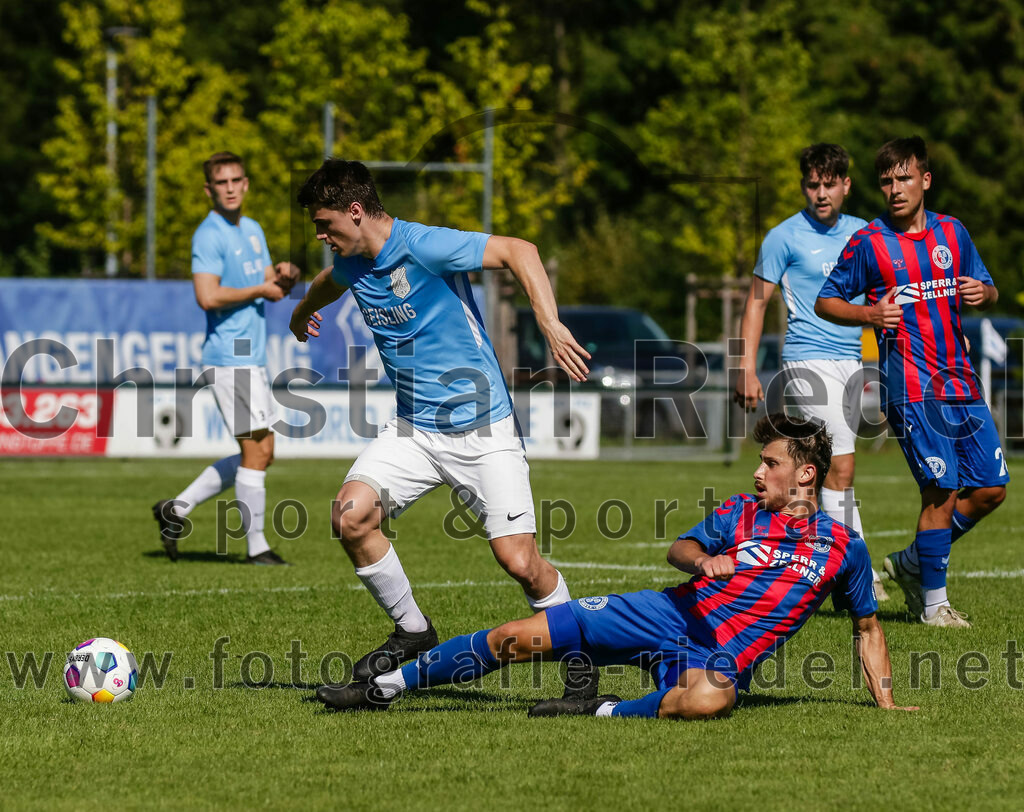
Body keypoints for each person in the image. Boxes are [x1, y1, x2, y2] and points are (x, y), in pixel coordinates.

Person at [315, 414, 916, 718]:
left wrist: (885, 703)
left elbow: (868, 629)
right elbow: (677, 550)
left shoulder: (844, 548)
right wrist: (705, 561)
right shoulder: (738, 512)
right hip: (661, 612)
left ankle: (605, 710)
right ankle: (387, 686)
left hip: (712, 659)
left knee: (712, 699)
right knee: (515, 638)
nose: (758, 472)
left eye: (770, 463)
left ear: (805, 474)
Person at [289, 159, 597, 694]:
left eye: (325, 224)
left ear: (356, 211)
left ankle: (580, 660)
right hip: (414, 431)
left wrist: (549, 323)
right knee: (350, 516)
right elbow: (326, 283)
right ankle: (412, 631)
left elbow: (519, 250)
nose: (321, 236)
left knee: (520, 562)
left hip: (484, 430)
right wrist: (300, 313)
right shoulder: (352, 261)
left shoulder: (424, 245)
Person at [816, 136, 1008, 627]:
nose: (895, 188)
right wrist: (869, 313)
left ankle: (910, 564)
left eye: (904, 177)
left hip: (960, 382)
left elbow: (987, 286)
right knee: (940, 491)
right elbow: (826, 300)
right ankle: (934, 605)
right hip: (912, 387)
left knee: (990, 490)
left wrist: (982, 292)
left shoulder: (953, 232)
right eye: (886, 180)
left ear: (925, 179)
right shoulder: (870, 243)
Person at [735, 142, 889, 601]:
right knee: (841, 465)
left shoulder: (864, 234)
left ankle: (785, 560)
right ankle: (857, 574)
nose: (820, 193)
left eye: (829, 184)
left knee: (814, 474)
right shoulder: (782, 237)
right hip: (806, 359)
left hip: (852, 361)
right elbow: (756, 303)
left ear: (846, 185)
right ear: (804, 186)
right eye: (812, 184)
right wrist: (744, 366)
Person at [153, 151, 298, 565]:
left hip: (249, 355)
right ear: (209, 190)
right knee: (257, 451)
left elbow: (267, 280)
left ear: (246, 184)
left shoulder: (252, 228)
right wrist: (260, 289)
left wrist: (283, 276)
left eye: (237, 180)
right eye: (222, 182)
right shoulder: (209, 235)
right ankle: (257, 550)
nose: (231, 188)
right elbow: (207, 296)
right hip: (229, 356)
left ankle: (176, 509)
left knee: (263, 450)